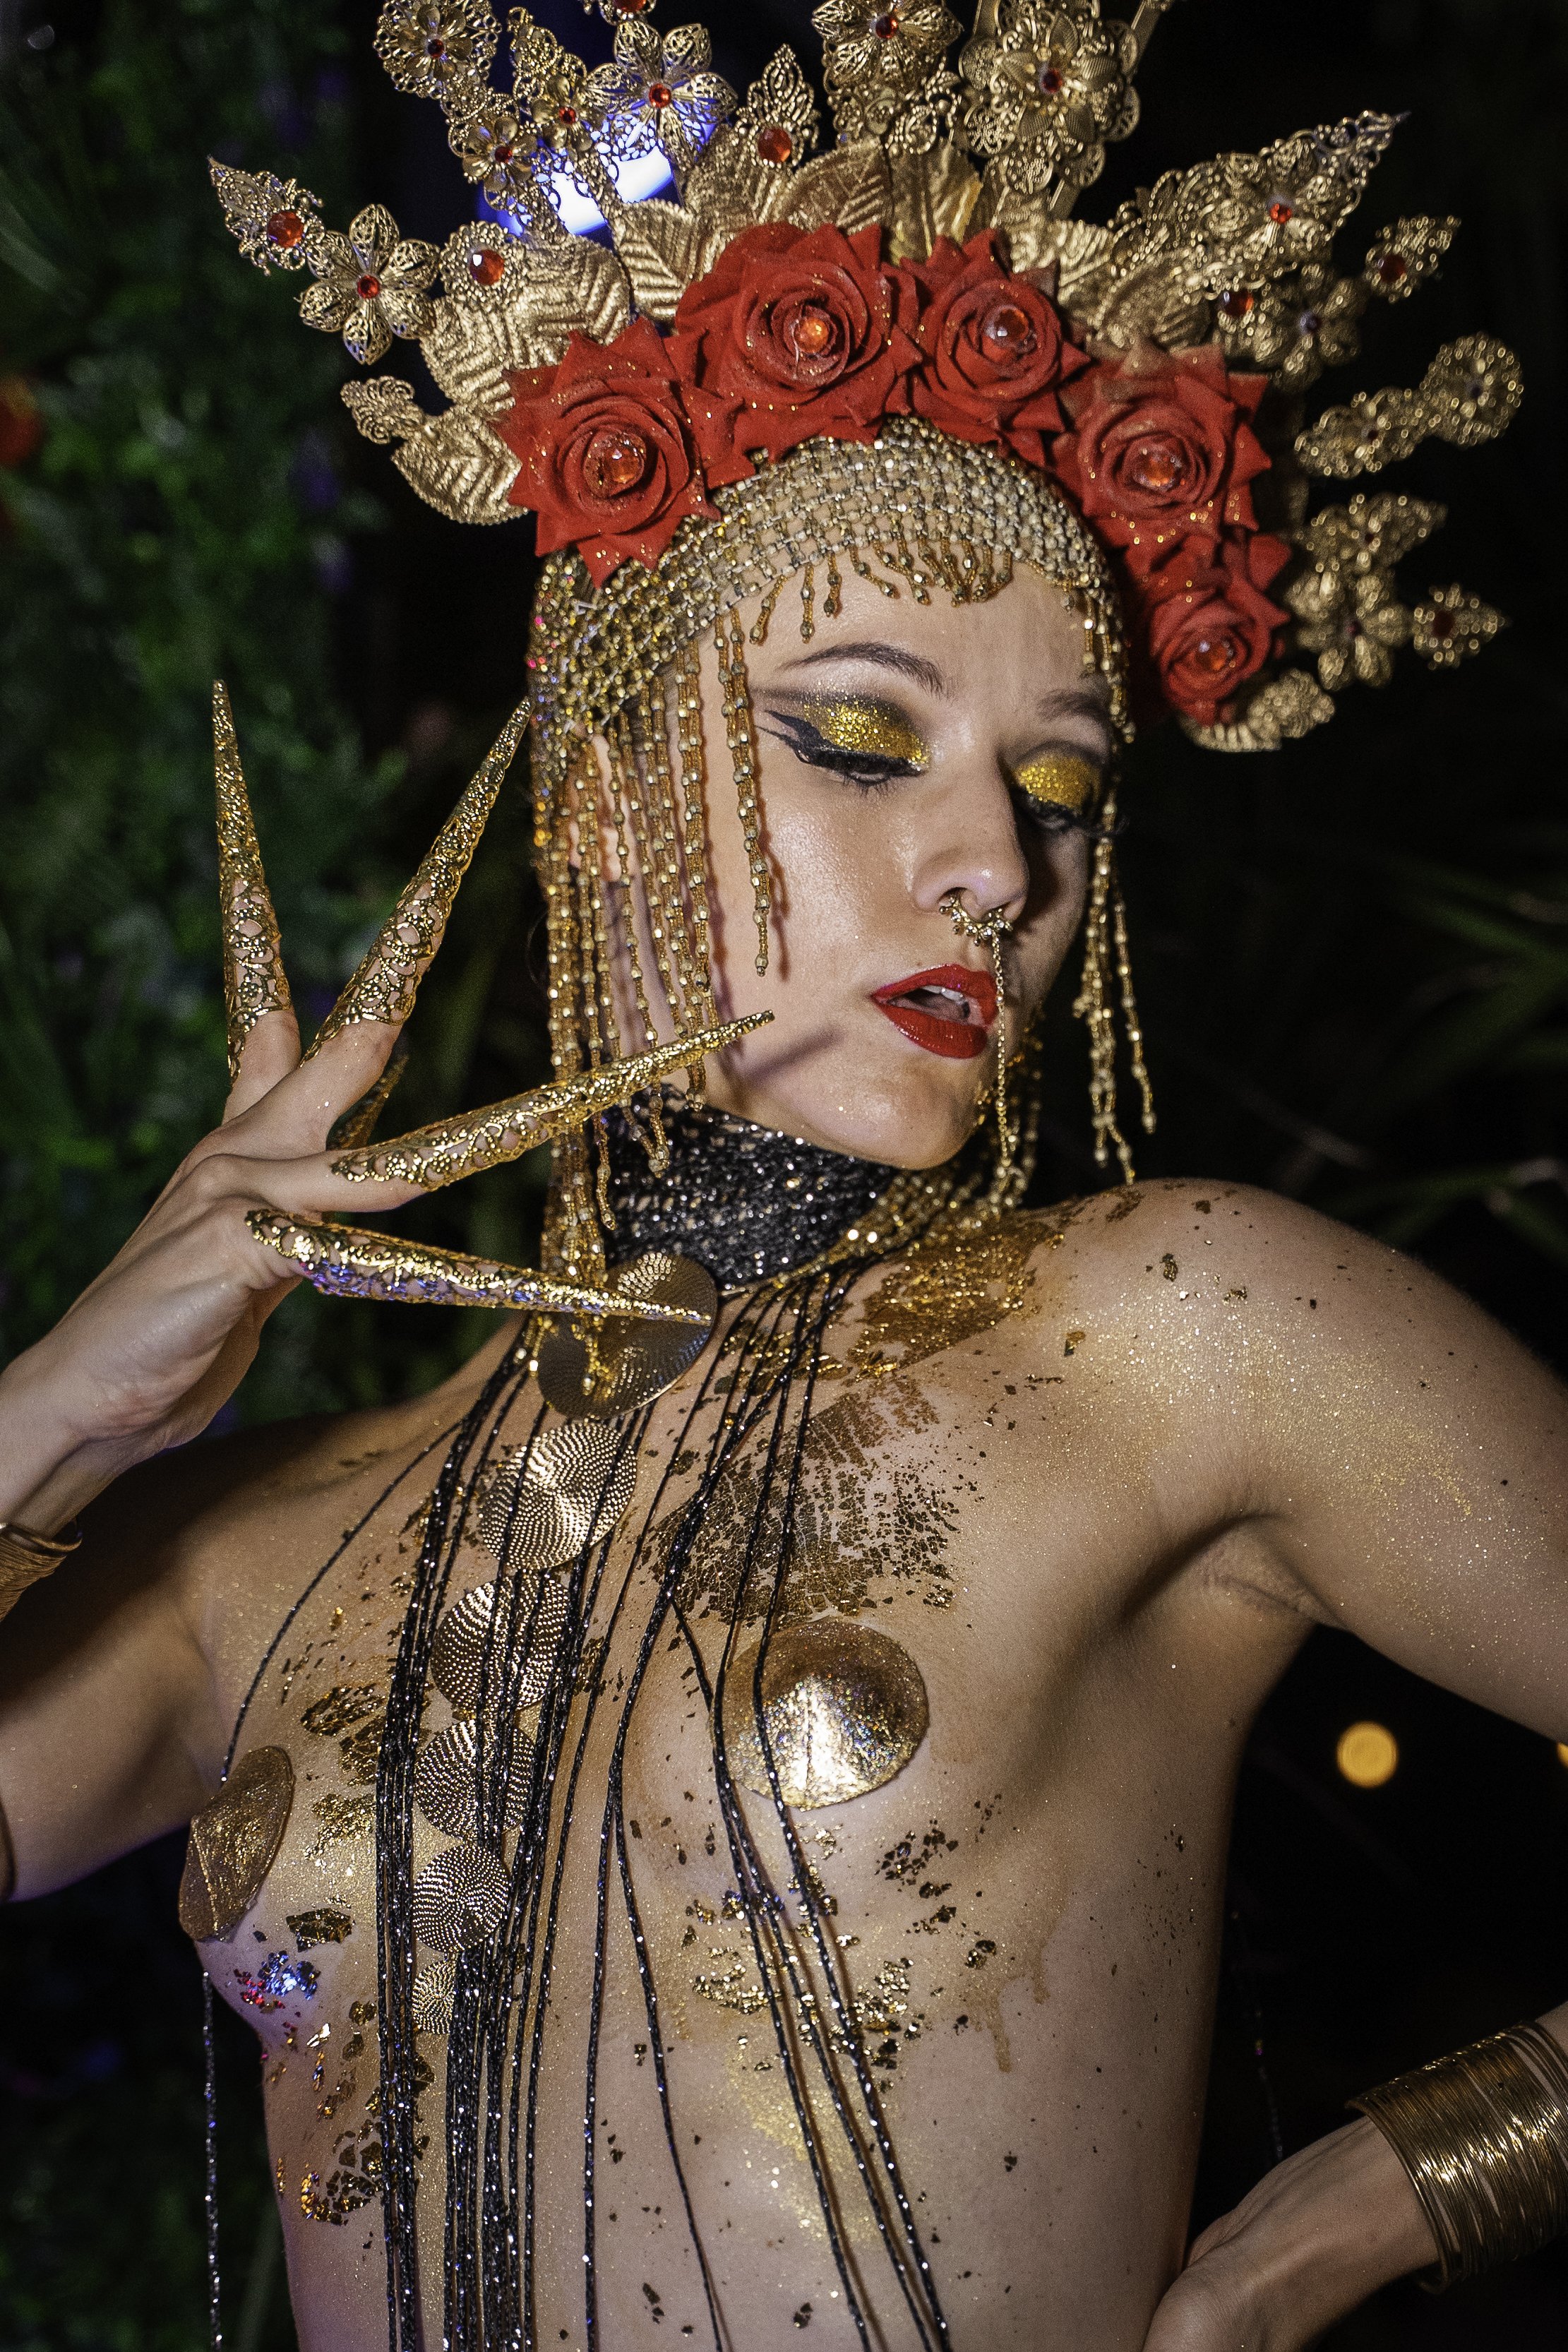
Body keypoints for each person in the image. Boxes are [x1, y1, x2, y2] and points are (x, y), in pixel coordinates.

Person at [0, 3, 1561, 2348]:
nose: (988, 867)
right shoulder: (259, 1545)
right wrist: (63, 1410)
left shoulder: (1181, 1332)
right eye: (860, 737)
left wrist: (1363, 2203)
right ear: (607, 795)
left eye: (1059, 791)